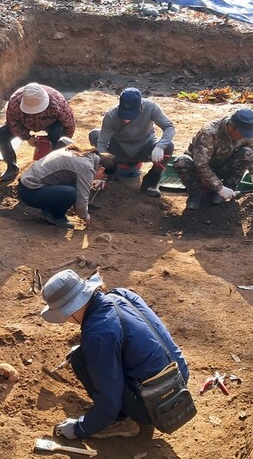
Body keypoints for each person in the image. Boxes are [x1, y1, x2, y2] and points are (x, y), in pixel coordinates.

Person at [40, 269, 190, 439]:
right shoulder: (121, 295)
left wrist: (80, 428)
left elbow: (109, 400)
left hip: (158, 406)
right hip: (180, 381)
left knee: (81, 360)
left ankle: (124, 422)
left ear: (70, 310)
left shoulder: (97, 333)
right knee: (87, 353)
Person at [89, 88, 176, 197]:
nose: (126, 120)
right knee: (94, 135)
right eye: (124, 114)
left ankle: (150, 182)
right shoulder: (111, 115)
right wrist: (102, 173)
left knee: (169, 145)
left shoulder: (151, 108)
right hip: (118, 150)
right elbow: (102, 144)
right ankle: (111, 176)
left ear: (140, 107)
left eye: (130, 115)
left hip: (144, 149)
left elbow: (169, 127)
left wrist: (159, 147)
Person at [173, 108, 253, 210]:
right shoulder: (209, 133)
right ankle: (196, 193)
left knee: (247, 153)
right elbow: (201, 165)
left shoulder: (244, 132)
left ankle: (228, 190)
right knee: (181, 162)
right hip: (198, 169)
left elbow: (251, 149)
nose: (244, 137)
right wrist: (220, 188)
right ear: (232, 127)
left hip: (222, 165)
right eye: (242, 134)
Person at [18, 146, 117, 229]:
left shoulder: (84, 154)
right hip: (30, 192)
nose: (101, 178)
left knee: (74, 186)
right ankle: (55, 216)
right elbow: (82, 198)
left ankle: (49, 208)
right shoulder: (87, 167)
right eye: (103, 176)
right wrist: (85, 216)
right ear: (101, 168)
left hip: (26, 184)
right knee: (71, 193)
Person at [0, 83, 76, 183]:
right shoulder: (14, 101)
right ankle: (12, 167)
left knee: (57, 136)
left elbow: (69, 124)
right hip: (24, 124)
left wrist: (64, 142)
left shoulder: (57, 102)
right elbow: (13, 123)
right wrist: (27, 137)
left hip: (51, 124)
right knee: (1, 134)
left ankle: (56, 168)